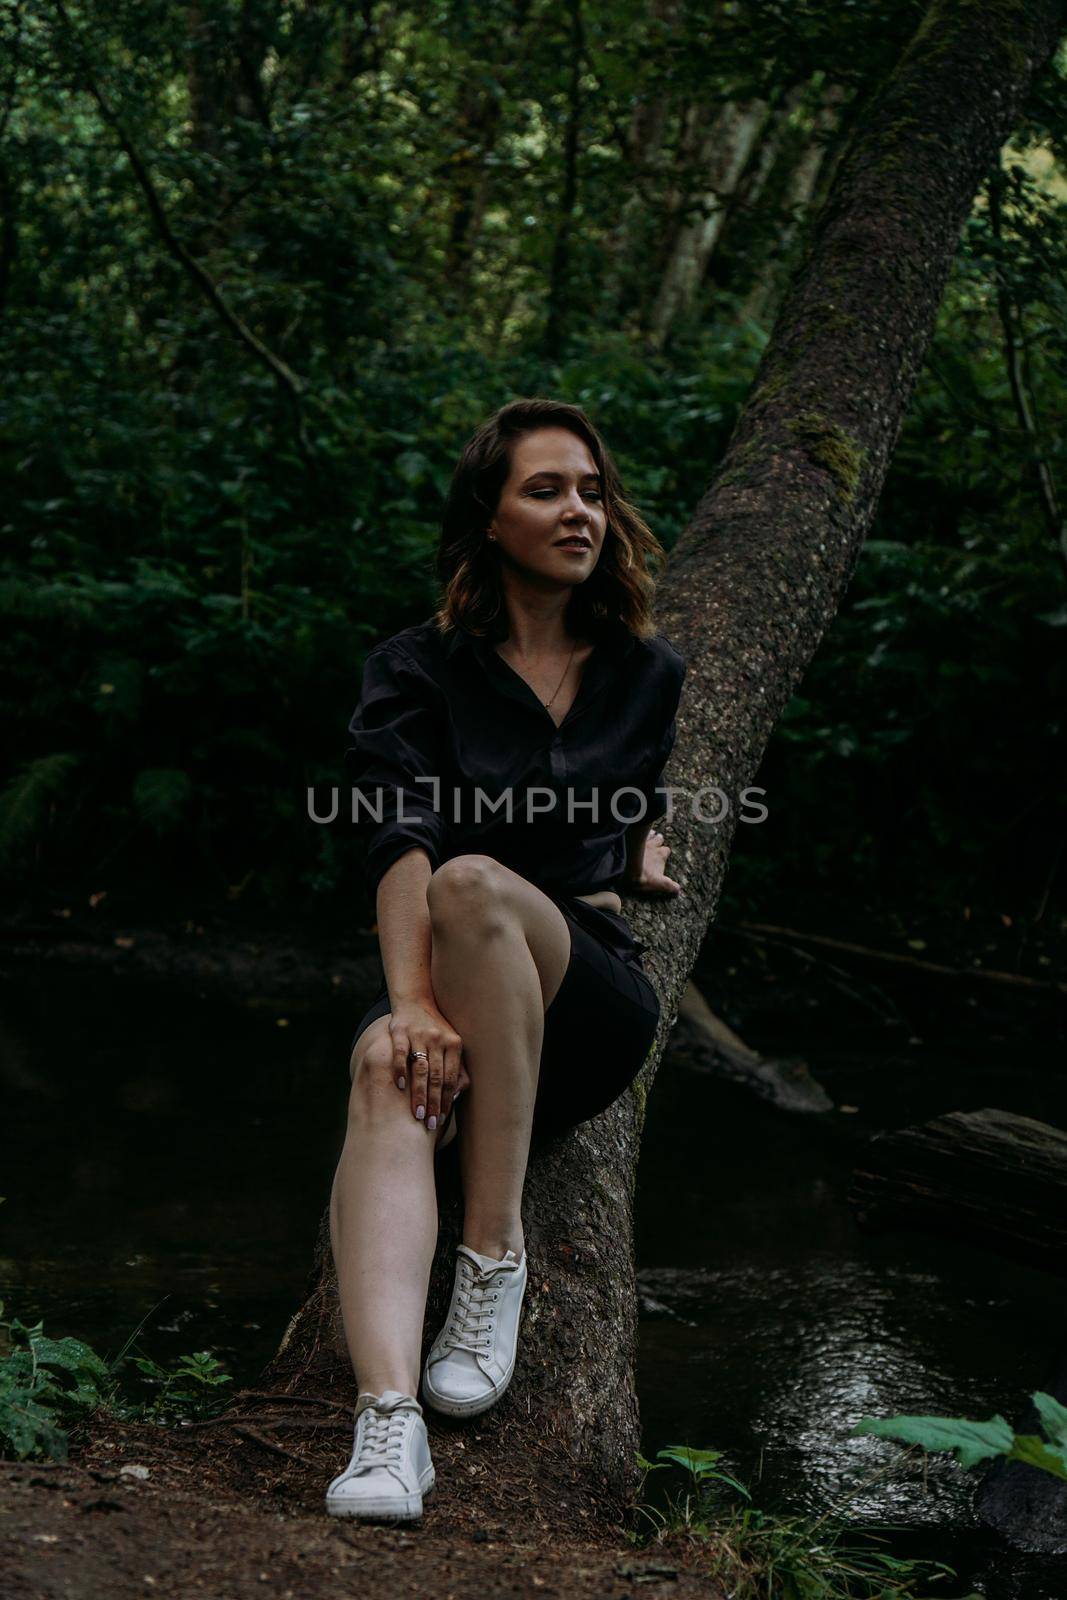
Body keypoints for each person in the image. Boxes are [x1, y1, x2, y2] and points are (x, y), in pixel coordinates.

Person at [325, 397, 686, 1522]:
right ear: (489, 518)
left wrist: (636, 852)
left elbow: (616, 816)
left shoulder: (642, 671)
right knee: (390, 1063)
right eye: (544, 489)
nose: (577, 509)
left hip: (581, 1005)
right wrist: (413, 1005)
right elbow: (396, 834)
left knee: (473, 882)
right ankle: (388, 1427)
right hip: (450, 983)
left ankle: (492, 1254)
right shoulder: (415, 668)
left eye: (589, 489)